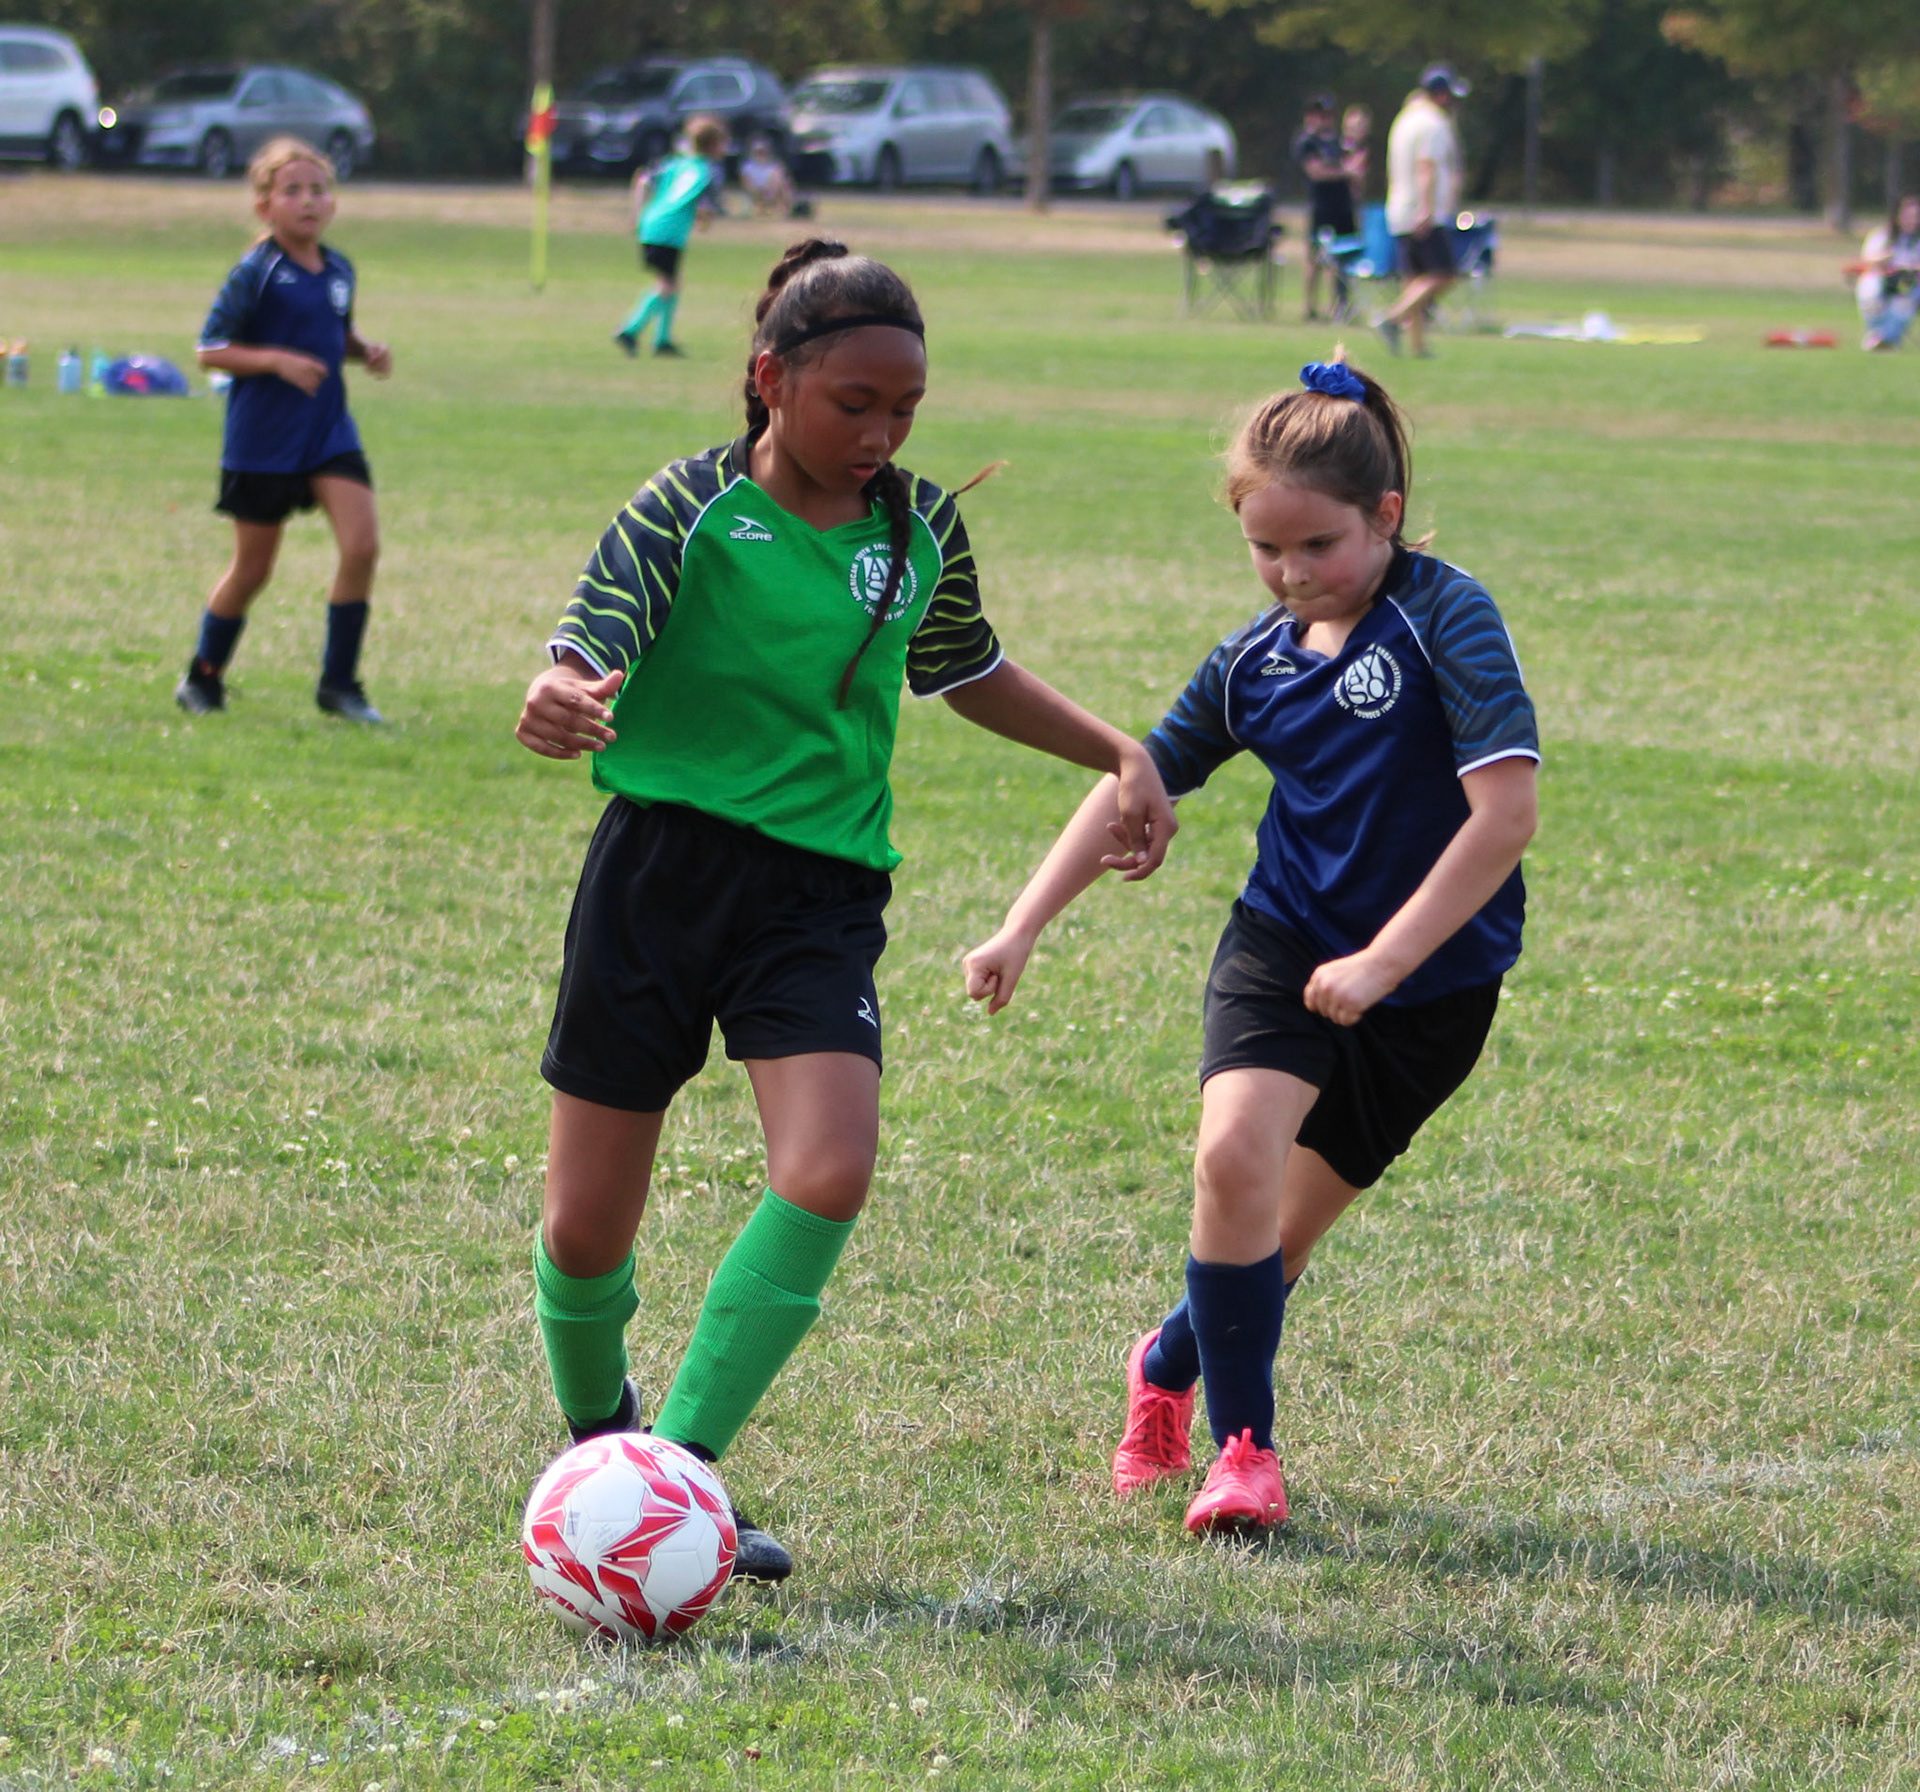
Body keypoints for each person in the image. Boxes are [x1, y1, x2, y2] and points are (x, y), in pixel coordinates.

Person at [516, 239, 1177, 1581]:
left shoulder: (918, 530)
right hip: (657, 875)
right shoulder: (687, 506)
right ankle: (601, 1442)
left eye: (906, 410)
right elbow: (594, 637)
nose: (881, 435)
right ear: (771, 380)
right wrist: (564, 689)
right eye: (854, 404)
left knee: (828, 1168)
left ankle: (676, 1474)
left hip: (817, 894)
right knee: (585, 1228)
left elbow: (963, 665)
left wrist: (1117, 750)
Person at [962, 358, 1538, 1536]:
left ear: (1385, 516)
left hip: (1434, 988)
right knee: (1231, 1161)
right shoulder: (1256, 662)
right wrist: (1023, 921)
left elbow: (1506, 817)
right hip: (1282, 946)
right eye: (1266, 549)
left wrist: (1385, 962)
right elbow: (1138, 779)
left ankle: (1165, 1363)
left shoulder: (1445, 616)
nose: (1291, 572)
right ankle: (1243, 1453)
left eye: (1318, 545)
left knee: (1270, 1250)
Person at [177, 136, 392, 722]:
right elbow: (210, 350)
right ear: (264, 206)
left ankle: (339, 686)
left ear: (333, 202)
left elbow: (332, 332)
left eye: (318, 189)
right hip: (264, 440)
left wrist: (364, 350)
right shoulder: (257, 271)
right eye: (292, 190)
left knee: (362, 546)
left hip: (327, 432)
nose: (308, 201)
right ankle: (202, 678)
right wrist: (275, 361)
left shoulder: (340, 269)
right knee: (253, 570)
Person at [615, 115, 727, 360]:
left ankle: (662, 340)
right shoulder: (708, 171)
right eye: (722, 143)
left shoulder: (675, 163)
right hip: (669, 231)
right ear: (712, 145)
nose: (725, 148)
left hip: (652, 223)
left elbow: (643, 181)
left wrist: (636, 215)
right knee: (666, 285)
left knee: (672, 282)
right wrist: (705, 219)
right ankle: (630, 330)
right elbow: (707, 206)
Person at [1376, 65, 1469, 359]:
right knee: (1445, 274)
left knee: (1414, 280)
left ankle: (1417, 347)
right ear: (1440, 95)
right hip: (1422, 211)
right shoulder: (1433, 123)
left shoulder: (1405, 119)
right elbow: (1425, 166)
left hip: (1400, 208)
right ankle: (1392, 319)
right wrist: (1427, 209)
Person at [1295, 95, 1357, 321]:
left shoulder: (1339, 142)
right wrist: (1345, 172)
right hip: (1322, 207)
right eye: (1321, 115)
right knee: (1315, 257)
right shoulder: (1307, 142)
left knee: (1342, 259)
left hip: (1343, 206)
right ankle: (1310, 307)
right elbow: (1316, 172)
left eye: (1329, 115)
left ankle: (1339, 306)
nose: (1326, 119)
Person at [1855, 192, 1920, 351]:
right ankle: (1879, 336)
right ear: (1897, 216)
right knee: (1868, 288)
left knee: (1904, 301)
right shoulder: (1883, 236)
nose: (1912, 221)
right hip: (1885, 280)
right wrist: (1883, 259)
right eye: (1908, 216)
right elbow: (1868, 259)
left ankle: (1885, 339)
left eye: (1916, 216)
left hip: (1911, 284)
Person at [739, 137, 795, 217]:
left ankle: (786, 210)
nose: (761, 154)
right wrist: (757, 191)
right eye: (759, 152)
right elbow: (746, 182)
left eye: (763, 152)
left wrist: (769, 190)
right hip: (755, 191)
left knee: (785, 185)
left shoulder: (774, 166)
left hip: (771, 190)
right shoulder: (747, 167)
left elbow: (779, 180)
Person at [1341, 104, 1372, 205]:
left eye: (1361, 126)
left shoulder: (1366, 150)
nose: (1357, 130)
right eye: (1353, 127)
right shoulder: (1338, 150)